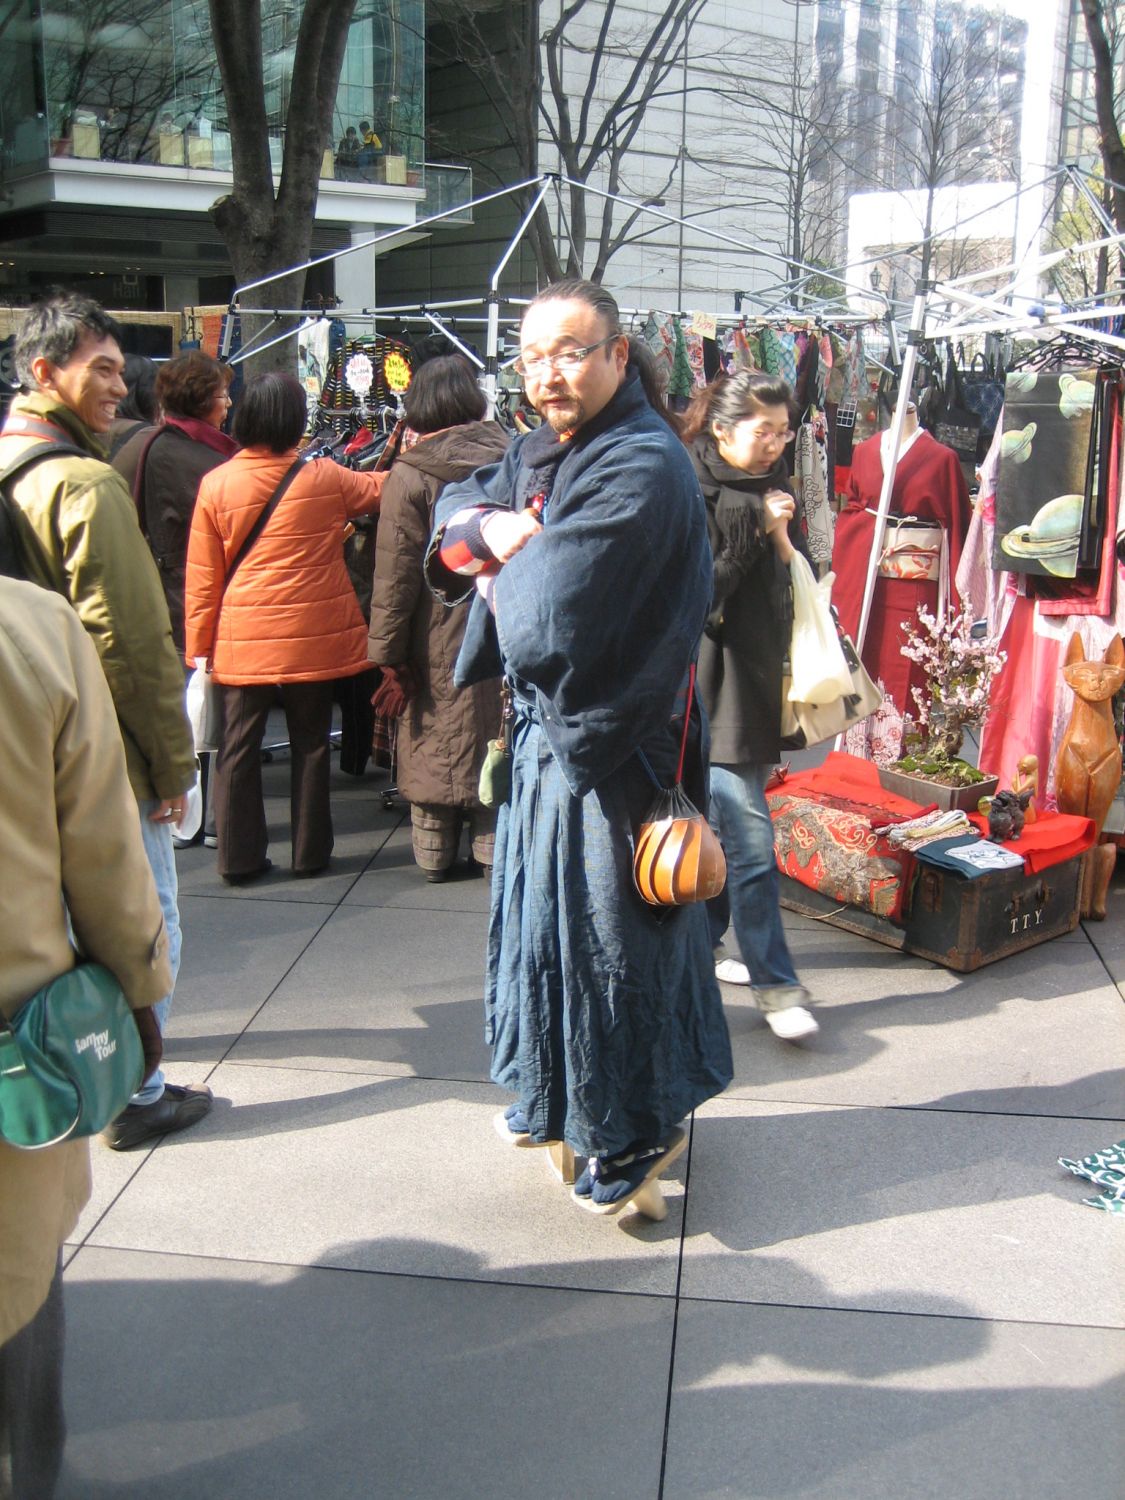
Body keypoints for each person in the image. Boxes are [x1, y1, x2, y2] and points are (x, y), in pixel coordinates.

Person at [424, 279, 732, 1215]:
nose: (548, 373)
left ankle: (634, 1127)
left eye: (569, 351)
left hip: (615, 753)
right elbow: (455, 510)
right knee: (538, 928)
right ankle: (553, 1099)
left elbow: (553, 606)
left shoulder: (639, 463)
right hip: (545, 748)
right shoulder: (545, 448)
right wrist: (488, 530)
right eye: (531, 356)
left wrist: (500, 550)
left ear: (615, 353)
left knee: (615, 944)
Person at [1, 292, 211, 1151]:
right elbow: (131, 642)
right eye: (103, 369)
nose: (121, 387)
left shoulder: (11, 463)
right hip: (100, 753)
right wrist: (171, 768)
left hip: (25, 749)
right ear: (44, 372)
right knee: (141, 915)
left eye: (124, 369)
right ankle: (138, 1087)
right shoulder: (81, 482)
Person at [0, 575, 172, 1499]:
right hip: (12, 1072)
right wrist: (140, 992)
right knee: (15, 1301)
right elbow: (103, 852)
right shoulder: (26, 627)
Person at [184, 372, 386, 882]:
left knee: (237, 748)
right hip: (313, 636)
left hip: (242, 638)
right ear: (297, 421)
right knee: (312, 743)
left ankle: (237, 857)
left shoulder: (217, 483)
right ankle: (310, 853)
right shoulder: (324, 477)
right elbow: (378, 489)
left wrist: (198, 647)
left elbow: (203, 577)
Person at [681, 370, 818, 1042]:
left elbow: (799, 580)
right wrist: (753, 534)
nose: (774, 444)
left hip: (762, 681)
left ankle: (704, 947)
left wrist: (786, 540)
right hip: (710, 685)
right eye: (762, 431)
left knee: (721, 830)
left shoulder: (776, 487)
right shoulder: (690, 489)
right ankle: (775, 985)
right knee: (753, 842)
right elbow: (699, 598)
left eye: (782, 431)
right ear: (721, 428)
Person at [368, 355, 508, 880]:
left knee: (433, 731)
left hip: (433, 629)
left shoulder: (408, 474)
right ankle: (492, 848)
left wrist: (386, 653)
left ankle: (433, 854)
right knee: (496, 728)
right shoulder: (513, 455)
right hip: (500, 618)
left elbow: (395, 576)